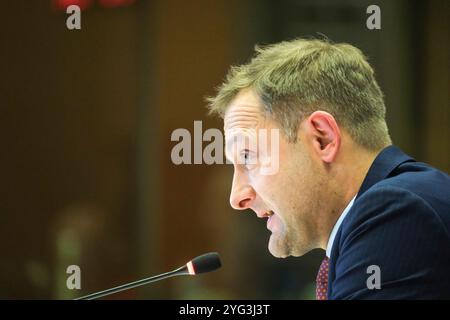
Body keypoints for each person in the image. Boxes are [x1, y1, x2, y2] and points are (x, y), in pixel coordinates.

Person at [206, 38, 450, 299]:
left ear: (323, 138)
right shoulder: (392, 207)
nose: (236, 198)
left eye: (248, 157)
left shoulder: (396, 212)